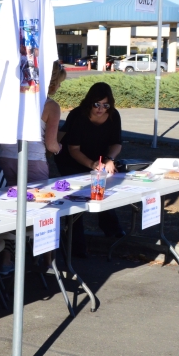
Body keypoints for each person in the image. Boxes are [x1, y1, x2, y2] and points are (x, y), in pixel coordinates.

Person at [54, 81, 124, 249]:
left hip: (98, 158)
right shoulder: (78, 115)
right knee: (76, 198)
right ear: (89, 102)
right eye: (97, 104)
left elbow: (117, 143)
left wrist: (109, 159)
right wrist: (92, 164)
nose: (101, 109)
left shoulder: (114, 115)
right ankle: (76, 244)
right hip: (71, 160)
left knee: (102, 191)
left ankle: (112, 230)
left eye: (105, 105)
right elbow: (73, 149)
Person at [0, 60, 66, 185]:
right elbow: (51, 145)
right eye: (59, 83)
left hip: (5, 156)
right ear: (51, 83)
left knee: (7, 195)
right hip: (34, 160)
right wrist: (59, 149)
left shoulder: (9, 99)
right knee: (36, 196)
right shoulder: (51, 106)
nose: (59, 86)